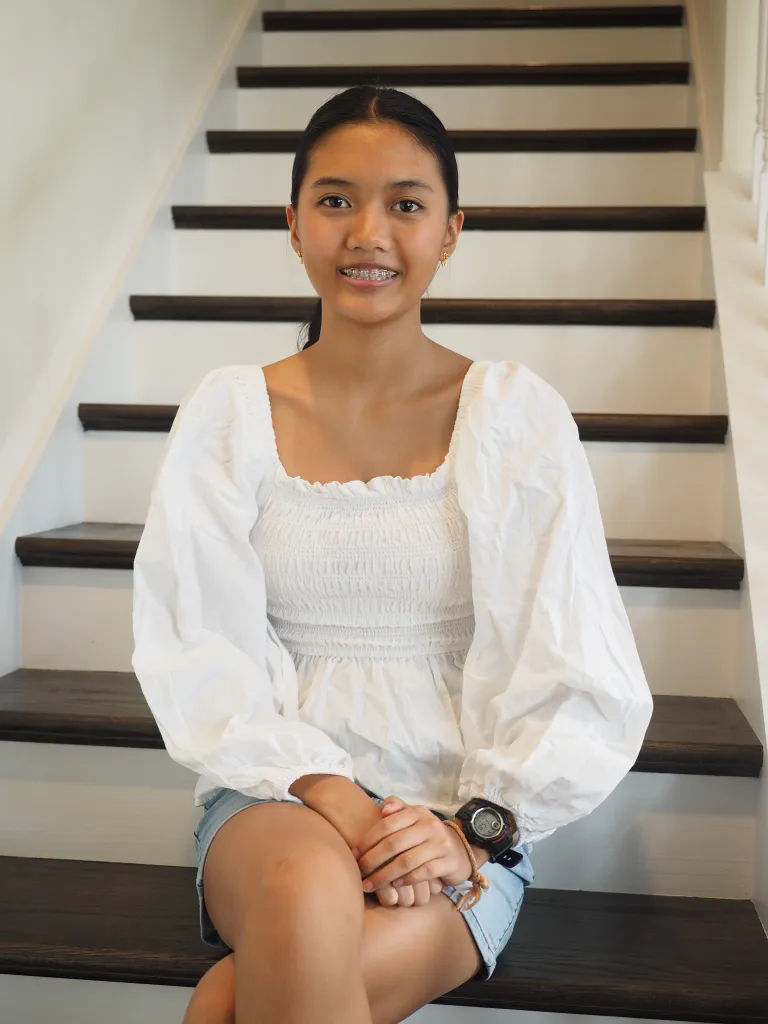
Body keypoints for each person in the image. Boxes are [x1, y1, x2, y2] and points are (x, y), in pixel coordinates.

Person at [132, 83, 654, 1024]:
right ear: (292, 224)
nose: (367, 232)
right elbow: (197, 650)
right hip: (274, 795)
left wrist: (470, 831)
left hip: (467, 828)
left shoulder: (515, 417)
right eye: (335, 200)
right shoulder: (226, 416)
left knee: (228, 1003)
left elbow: (578, 664)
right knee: (298, 889)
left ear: (451, 230)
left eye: (405, 205)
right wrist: (329, 789)